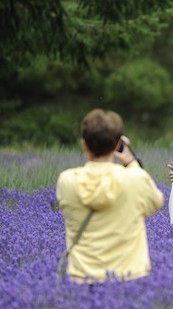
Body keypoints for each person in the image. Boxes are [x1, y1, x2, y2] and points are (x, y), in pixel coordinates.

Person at [56, 109, 164, 282]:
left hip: (82, 280)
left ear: (84, 145)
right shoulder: (135, 178)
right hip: (129, 278)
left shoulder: (67, 181)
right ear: (117, 145)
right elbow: (156, 202)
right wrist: (132, 161)